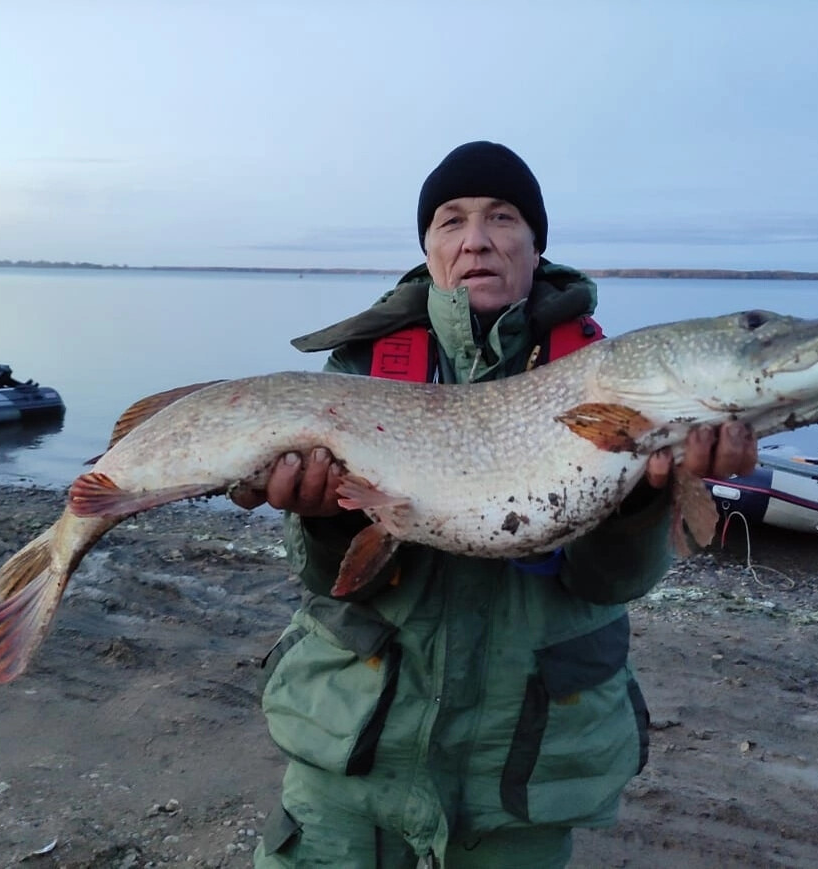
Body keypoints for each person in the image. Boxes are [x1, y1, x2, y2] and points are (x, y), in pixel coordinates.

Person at [233, 141, 757, 868]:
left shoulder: (607, 379)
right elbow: (328, 580)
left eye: (501, 217)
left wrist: (640, 503)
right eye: (451, 220)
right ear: (429, 247)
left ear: (536, 246)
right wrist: (325, 517)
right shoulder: (359, 369)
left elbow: (609, 585)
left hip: (519, 779)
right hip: (352, 768)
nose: (475, 238)